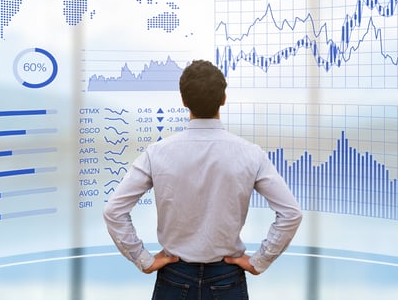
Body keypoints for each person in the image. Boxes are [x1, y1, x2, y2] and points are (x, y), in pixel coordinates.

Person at [103, 59, 303, 299]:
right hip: (227, 279)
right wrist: (259, 261)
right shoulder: (250, 154)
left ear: (184, 101)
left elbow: (114, 211)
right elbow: (291, 213)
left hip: (173, 278)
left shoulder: (157, 153)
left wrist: (142, 259)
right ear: (223, 99)